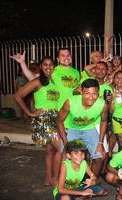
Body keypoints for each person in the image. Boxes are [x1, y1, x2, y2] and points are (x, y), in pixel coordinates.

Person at [14, 56, 61, 186]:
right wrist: (29, 113)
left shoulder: (54, 81)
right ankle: (56, 179)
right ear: (41, 66)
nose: (48, 67)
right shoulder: (37, 81)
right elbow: (18, 95)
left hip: (55, 118)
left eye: (51, 65)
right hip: (44, 119)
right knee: (62, 149)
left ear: (54, 67)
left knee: (50, 150)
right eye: (45, 65)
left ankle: (48, 179)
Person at [57, 79, 109, 177]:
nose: (91, 97)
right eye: (87, 93)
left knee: (100, 157)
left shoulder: (103, 105)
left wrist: (100, 143)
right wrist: (66, 143)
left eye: (94, 94)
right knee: (66, 157)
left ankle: (91, 182)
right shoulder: (70, 102)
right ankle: (65, 182)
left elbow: (104, 121)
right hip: (71, 128)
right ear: (81, 91)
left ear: (98, 92)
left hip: (89, 129)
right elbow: (59, 121)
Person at [109, 71, 122, 151]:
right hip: (118, 119)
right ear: (114, 79)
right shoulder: (112, 91)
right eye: (117, 77)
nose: (119, 79)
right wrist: (112, 99)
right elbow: (111, 111)